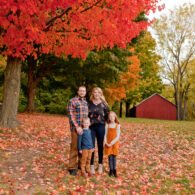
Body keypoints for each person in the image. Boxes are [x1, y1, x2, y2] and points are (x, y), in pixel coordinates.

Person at [67, 86, 88, 176]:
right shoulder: (72, 101)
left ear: (85, 92)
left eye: (84, 91)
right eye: (81, 90)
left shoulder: (85, 102)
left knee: (82, 147)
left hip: (84, 129)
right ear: (78, 91)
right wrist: (77, 127)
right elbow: (71, 115)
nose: (82, 92)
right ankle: (71, 168)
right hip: (75, 129)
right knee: (75, 148)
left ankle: (80, 165)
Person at [88, 87, 109, 174]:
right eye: (95, 93)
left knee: (100, 146)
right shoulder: (89, 103)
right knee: (91, 146)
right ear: (93, 94)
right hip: (91, 127)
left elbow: (108, 116)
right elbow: (86, 115)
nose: (96, 94)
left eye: (98, 93)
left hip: (101, 127)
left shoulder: (104, 104)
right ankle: (91, 165)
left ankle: (100, 164)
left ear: (101, 94)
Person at [104, 111, 120, 177]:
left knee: (114, 157)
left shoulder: (117, 125)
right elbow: (105, 135)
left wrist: (111, 143)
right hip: (108, 143)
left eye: (113, 116)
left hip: (114, 144)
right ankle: (111, 170)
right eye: (110, 116)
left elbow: (117, 136)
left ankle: (114, 170)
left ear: (115, 117)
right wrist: (106, 143)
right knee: (110, 157)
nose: (112, 117)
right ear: (108, 118)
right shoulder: (107, 125)